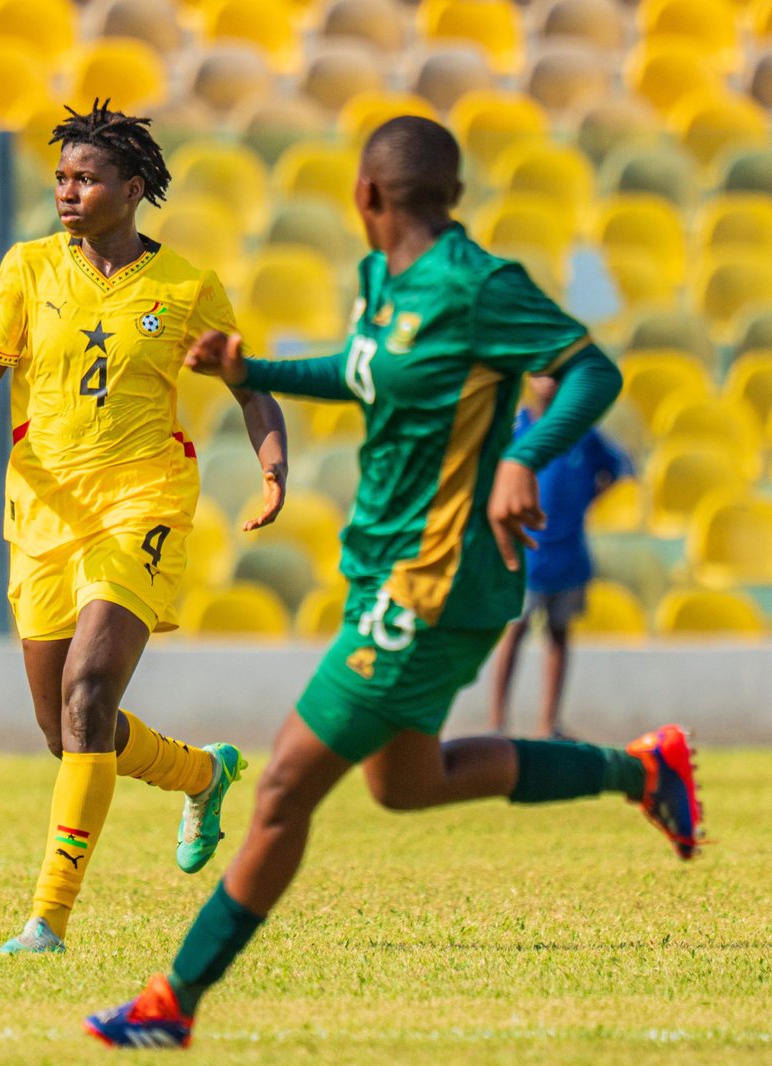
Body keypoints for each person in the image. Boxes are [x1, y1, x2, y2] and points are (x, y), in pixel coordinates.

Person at [83, 116, 704, 1049]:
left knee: (285, 784)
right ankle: (642, 768)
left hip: (436, 580)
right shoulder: (383, 281)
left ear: (366, 196)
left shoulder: (480, 288)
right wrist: (260, 371)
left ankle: (172, 1005)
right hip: (384, 569)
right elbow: (364, 372)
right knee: (408, 783)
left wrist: (523, 456)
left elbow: (590, 372)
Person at [0, 101, 290, 955]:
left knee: (89, 693)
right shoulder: (27, 268)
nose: (68, 192)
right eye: (61, 178)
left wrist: (273, 470)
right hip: (43, 512)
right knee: (66, 733)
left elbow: (249, 387)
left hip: (143, 502)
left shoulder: (185, 286)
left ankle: (47, 919)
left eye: (85, 179)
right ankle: (202, 772)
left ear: (134, 187)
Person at [488, 375, 633, 739]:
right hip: (525, 557)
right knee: (513, 632)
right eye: (541, 373)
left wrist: (586, 501)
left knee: (558, 635)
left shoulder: (581, 431)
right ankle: (497, 723)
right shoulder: (514, 428)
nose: (548, 381)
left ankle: (548, 723)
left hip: (568, 554)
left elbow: (617, 469)